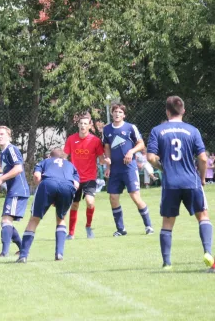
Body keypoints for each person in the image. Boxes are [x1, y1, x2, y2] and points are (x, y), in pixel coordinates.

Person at [146, 96, 213, 271]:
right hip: (191, 181)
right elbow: (203, 158)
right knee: (203, 216)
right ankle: (208, 253)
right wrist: (203, 178)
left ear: (167, 111)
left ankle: (167, 263)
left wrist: (162, 168)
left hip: (171, 184)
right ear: (183, 110)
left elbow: (151, 158)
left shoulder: (157, 130)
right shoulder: (193, 130)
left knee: (167, 223)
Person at [15, 148, 79, 263]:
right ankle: (59, 253)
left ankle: (23, 255)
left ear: (50, 156)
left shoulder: (45, 161)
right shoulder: (70, 165)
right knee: (61, 219)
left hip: (48, 183)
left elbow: (37, 176)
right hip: (67, 186)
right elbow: (76, 184)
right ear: (64, 158)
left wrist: (45, 191)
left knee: (34, 219)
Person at [102, 103, 154, 236]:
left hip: (129, 169)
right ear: (112, 113)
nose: (117, 114)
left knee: (135, 197)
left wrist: (131, 151)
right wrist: (108, 165)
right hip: (115, 170)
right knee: (113, 198)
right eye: (115, 111)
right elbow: (107, 148)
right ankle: (121, 229)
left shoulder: (130, 127)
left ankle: (148, 226)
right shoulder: (107, 129)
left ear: (124, 114)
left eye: (120, 112)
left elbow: (141, 143)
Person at [0, 126, 29, 257]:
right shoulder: (3, 153)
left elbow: (18, 169)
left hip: (18, 190)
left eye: (2, 134)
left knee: (6, 220)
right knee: (5, 221)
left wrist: (1, 180)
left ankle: (4, 253)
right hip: (13, 190)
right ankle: (22, 247)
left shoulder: (11, 149)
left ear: (9, 136)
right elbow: (7, 171)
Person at [64, 112, 105, 239]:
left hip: (90, 177)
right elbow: (64, 158)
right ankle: (71, 233)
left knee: (90, 202)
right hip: (75, 178)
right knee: (74, 205)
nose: (83, 126)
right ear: (78, 125)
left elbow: (102, 159)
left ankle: (88, 226)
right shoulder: (71, 139)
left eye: (85, 124)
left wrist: (108, 161)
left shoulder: (95, 140)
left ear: (89, 125)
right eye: (81, 123)